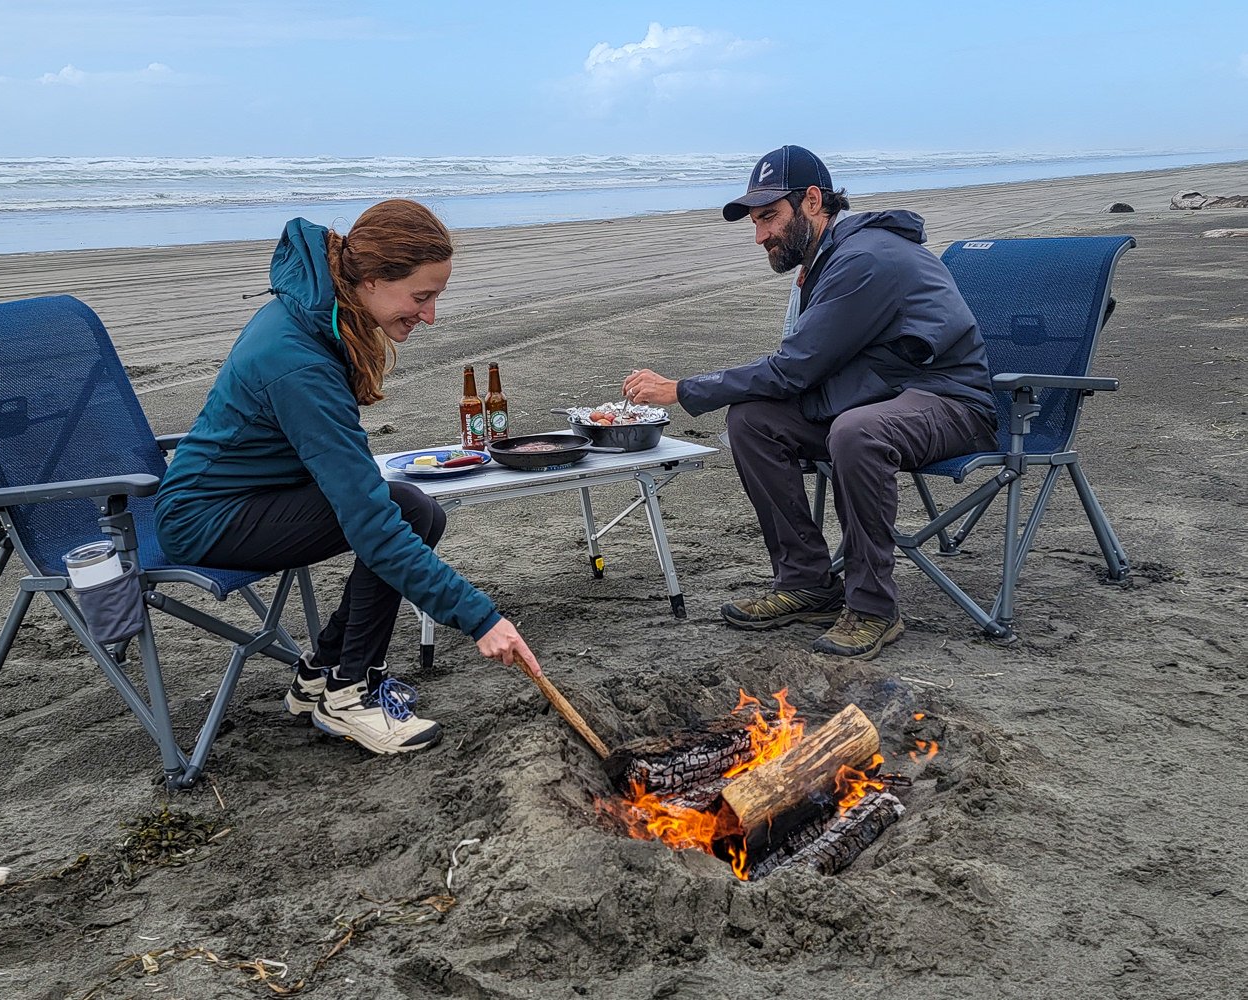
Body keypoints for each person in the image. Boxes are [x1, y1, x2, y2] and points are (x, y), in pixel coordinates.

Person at [155, 199, 540, 754]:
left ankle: (322, 674)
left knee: (414, 507)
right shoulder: (298, 361)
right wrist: (481, 619)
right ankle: (348, 695)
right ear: (373, 280)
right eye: (422, 297)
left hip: (258, 492)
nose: (429, 316)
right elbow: (371, 525)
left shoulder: (317, 313)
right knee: (401, 513)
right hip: (206, 517)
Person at [623, 145, 997, 661]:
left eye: (769, 218)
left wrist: (682, 389)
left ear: (814, 201)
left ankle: (872, 608)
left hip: (951, 402)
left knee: (856, 433)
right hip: (877, 395)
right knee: (753, 420)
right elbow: (805, 365)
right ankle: (807, 583)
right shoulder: (832, 256)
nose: (760, 237)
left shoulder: (862, 259)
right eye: (755, 222)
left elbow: (793, 368)